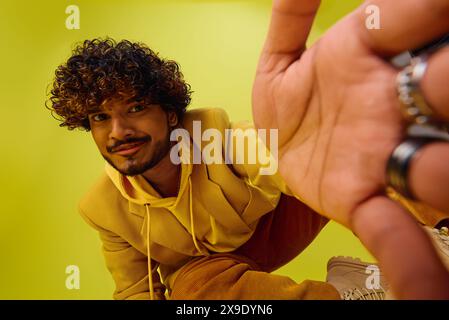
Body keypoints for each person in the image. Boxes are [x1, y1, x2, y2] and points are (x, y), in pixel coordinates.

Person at [46, 0, 449, 299]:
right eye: (100, 118)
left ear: (170, 115)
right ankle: (349, 294)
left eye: (135, 108)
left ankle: (442, 234)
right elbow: (136, 291)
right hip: (230, 262)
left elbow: (270, 157)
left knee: (349, 163)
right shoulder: (100, 208)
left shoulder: (216, 138)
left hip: (284, 209)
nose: (119, 131)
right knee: (191, 287)